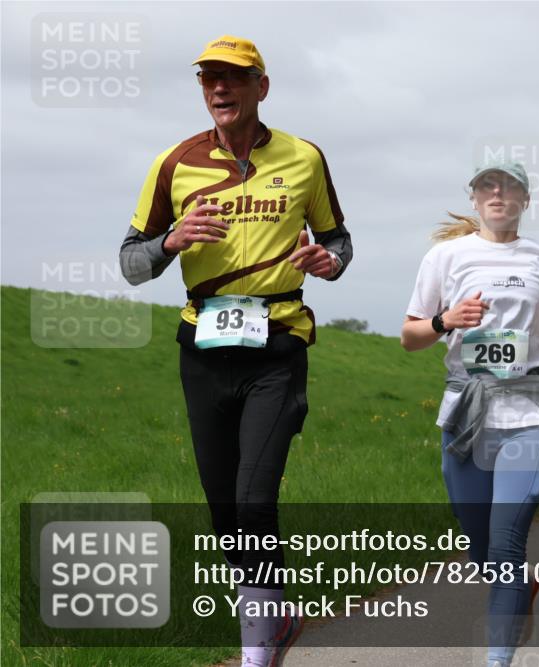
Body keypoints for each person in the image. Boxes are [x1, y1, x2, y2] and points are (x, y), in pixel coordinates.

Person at [119, 35, 352, 667]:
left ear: (261, 87)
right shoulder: (174, 163)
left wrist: (328, 262)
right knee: (225, 508)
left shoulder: (304, 158)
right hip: (203, 350)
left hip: (277, 344)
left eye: (233, 77)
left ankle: (256, 649)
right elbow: (130, 263)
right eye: (209, 78)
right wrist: (171, 242)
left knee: (254, 499)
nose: (219, 88)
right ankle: (275, 617)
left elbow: (339, 240)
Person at [401, 160, 539, 667]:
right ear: (475, 198)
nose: (498, 194)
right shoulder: (445, 256)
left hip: (529, 413)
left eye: (509, 187)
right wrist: (446, 320)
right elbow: (411, 336)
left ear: (526, 199)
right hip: (467, 414)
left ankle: (497, 659)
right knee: (482, 552)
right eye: (487, 186)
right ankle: (521, 587)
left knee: (506, 543)